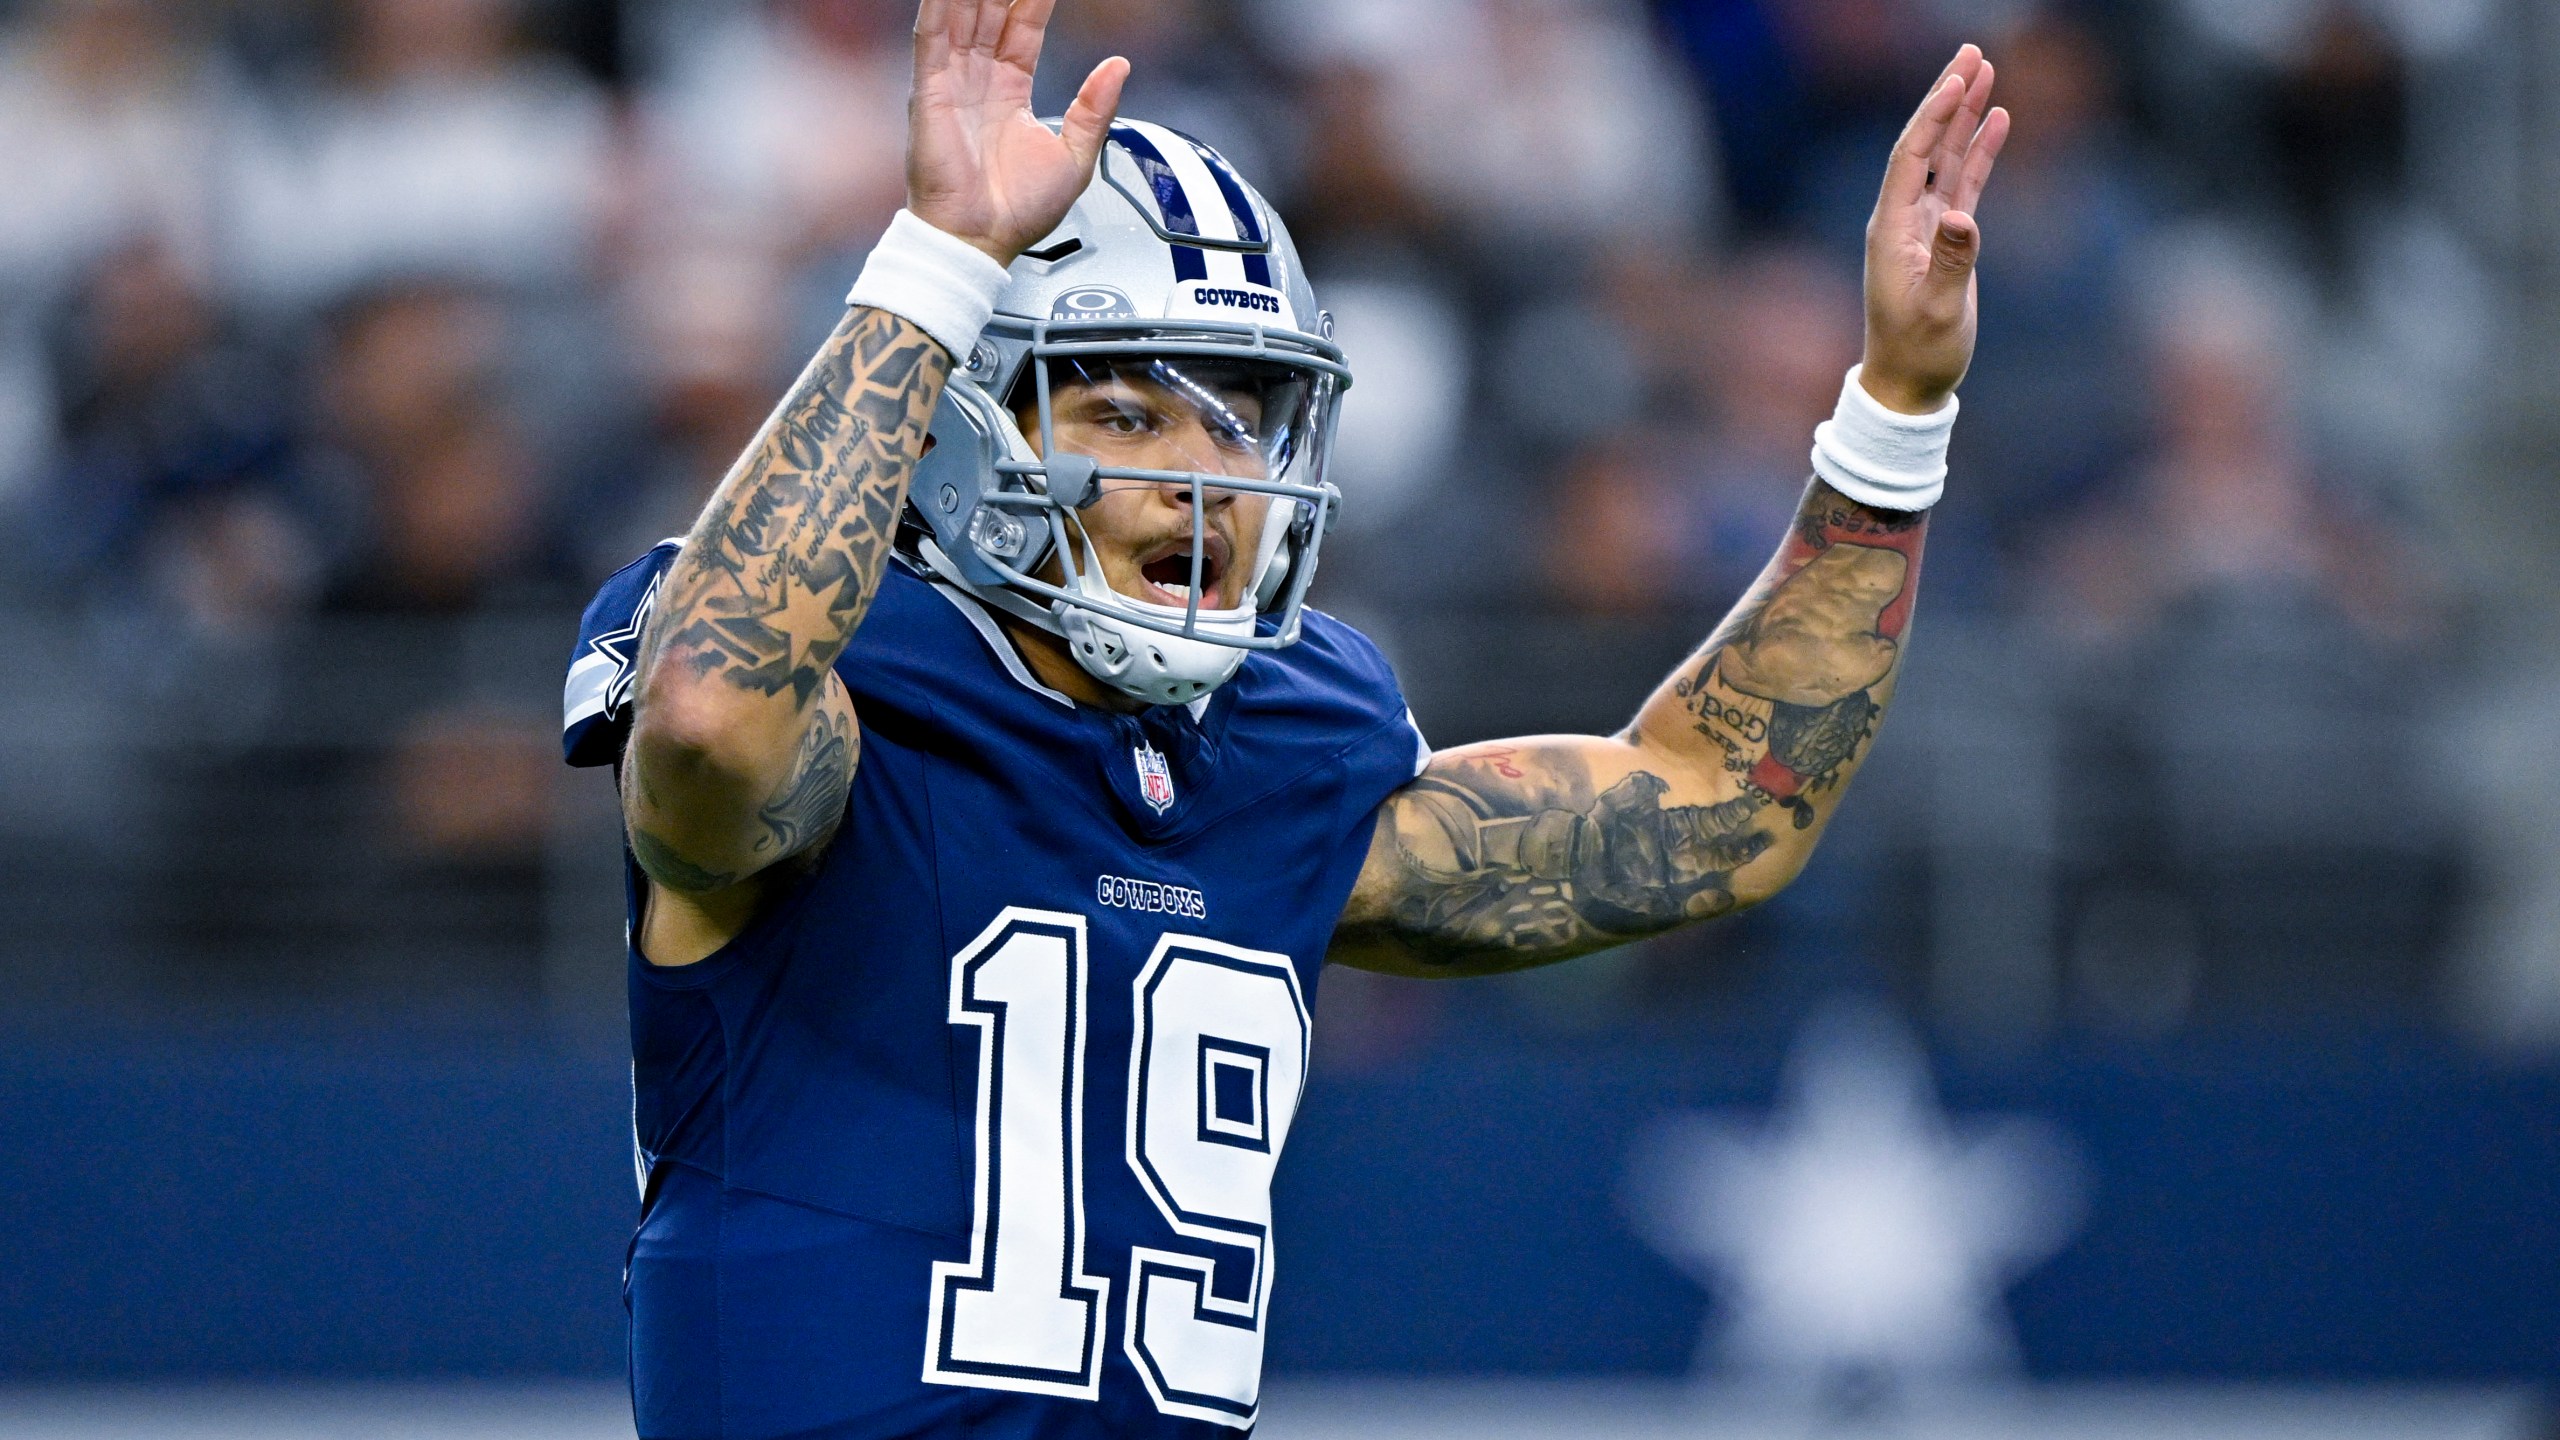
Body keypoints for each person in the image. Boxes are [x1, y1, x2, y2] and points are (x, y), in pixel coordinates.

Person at [560, 1, 2007, 1433]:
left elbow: (1718, 809)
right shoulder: (843, 687)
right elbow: (705, 720)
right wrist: (937, 265)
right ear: (958, 432)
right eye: (1127, 414)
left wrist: (1895, 414)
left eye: (1244, 420)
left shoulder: (1284, 739)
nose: (1207, 477)